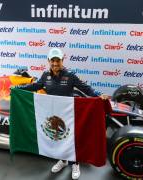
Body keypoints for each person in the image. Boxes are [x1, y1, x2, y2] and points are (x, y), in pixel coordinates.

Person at [16, 48, 108, 179]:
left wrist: (99, 95)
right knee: (57, 137)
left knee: (70, 138)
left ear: (62, 60)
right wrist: (18, 88)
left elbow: (86, 88)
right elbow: (35, 86)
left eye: (57, 60)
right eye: (52, 61)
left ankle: (75, 163)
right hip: (53, 112)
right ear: (48, 61)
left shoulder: (70, 75)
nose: (55, 64)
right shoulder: (45, 75)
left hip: (68, 113)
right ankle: (63, 160)